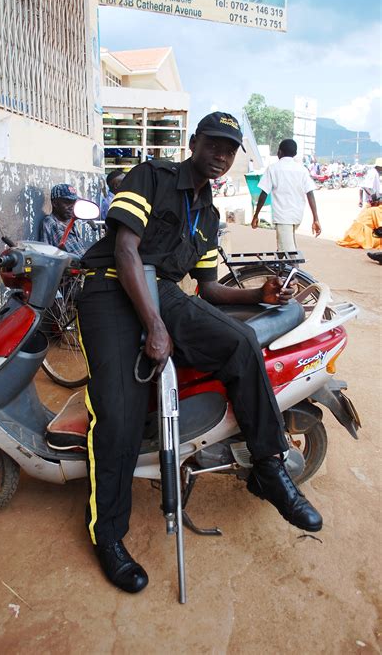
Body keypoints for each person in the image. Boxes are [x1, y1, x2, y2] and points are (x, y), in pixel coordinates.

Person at [77, 112, 322, 595]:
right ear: (194, 143)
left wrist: (258, 296)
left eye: (230, 150)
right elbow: (126, 250)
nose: (221, 155)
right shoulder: (152, 176)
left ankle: (269, 467)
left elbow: (208, 289)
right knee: (119, 416)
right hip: (111, 291)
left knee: (241, 341)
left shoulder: (209, 214)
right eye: (214, 144)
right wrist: (154, 327)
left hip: (164, 292)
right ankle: (108, 536)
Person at [251, 139, 322, 252]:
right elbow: (310, 194)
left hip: (283, 217)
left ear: (279, 152)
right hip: (296, 216)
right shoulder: (302, 170)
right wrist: (315, 219)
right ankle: (280, 268)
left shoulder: (273, 168)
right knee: (284, 248)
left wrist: (256, 215)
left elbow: (264, 193)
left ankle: (293, 269)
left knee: (289, 254)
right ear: (295, 153)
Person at [39, 183, 86, 257]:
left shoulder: (71, 222)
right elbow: (46, 254)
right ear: (55, 203)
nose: (72, 207)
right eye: (67, 202)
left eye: (73, 203)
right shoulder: (51, 222)